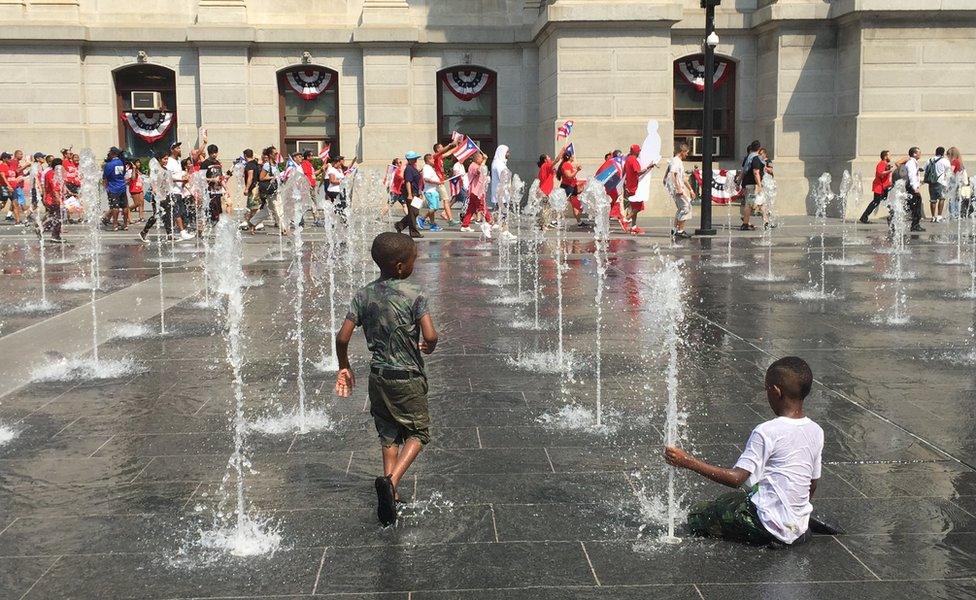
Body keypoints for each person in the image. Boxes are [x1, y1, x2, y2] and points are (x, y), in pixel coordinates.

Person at [334, 232, 438, 527]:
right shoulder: (415, 293)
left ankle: (389, 496)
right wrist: (430, 344)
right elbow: (430, 335)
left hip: (378, 378)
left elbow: (342, 337)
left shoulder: (363, 294)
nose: (415, 263)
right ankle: (391, 481)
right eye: (414, 260)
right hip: (408, 377)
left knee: (388, 432)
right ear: (401, 266)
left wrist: (344, 366)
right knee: (418, 433)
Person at [665, 356, 823, 547]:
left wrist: (687, 461)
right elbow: (811, 485)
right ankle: (792, 525)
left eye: (766, 389)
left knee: (701, 514)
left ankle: (773, 532)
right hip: (798, 525)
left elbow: (736, 479)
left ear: (775, 392)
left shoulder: (767, 431)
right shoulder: (816, 431)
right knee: (742, 496)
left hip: (766, 525)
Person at [164, 142, 194, 240]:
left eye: (179, 148)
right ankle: (182, 232)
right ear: (172, 150)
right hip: (172, 190)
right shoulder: (169, 161)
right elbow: (168, 177)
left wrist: (184, 178)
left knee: (177, 212)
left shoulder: (178, 161)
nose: (179, 150)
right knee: (176, 212)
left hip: (179, 190)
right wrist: (181, 180)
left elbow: (177, 174)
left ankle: (171, 234)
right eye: (177, 148)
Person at [623, 144, 654, 235]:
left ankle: (634, 226)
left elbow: (626, 173)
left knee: (634, 208)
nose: (640, 152)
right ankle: (626, 219)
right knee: (639, 207)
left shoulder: (628, 160)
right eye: (639, 150)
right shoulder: (633, 160)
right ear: (635, 151)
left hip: (630, 186)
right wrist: (648, 168)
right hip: (634, 187)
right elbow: (638, 173)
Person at [859, 150, 896, 224]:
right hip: (879, 186)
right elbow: (880, 174)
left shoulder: (885, 164)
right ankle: (864, 217)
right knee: (876, 202)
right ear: (885, 157)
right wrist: (890, 170)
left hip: (883, 186)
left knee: (884, 201)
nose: (891, 157)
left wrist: (888, 168)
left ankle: (893, 216)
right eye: (889, 155)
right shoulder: (882, 163)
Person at [665, 142, 693, 239]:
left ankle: (675, 229)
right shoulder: (676, 161)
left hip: (679, 188)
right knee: (686, 208)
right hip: (678, 189)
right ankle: (680, 231)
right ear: (682, 151)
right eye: (686, 152)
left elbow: (683, 178)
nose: (687, 154)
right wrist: (678, 188)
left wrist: (691, 190)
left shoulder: (678, 161)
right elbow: (672, 174)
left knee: (682, 208)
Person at [461, 151, 492, 235]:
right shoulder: (473, 166)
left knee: (471, 209)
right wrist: (485, 160)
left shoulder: (475, 165)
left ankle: (465, 225)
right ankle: (490, 221)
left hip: (476, 191)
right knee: (482, 206)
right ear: (477, 158)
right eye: (481, 158)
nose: (482, 159)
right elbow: (479, 170)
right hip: (475, 191)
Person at [395, 151, 423, 238]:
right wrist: (410, 194)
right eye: (414, 158)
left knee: (415, 212)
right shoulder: (408, 169)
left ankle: (400, 225)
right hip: (411, 193)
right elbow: (408, 182)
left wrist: (420, 193)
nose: (416, 160)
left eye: (416, 158)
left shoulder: (413, 168)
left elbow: (418, 182)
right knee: (413, 212)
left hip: (416, 193)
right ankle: (414, 233)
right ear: (409, 160)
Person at [431, 141, 459, 226]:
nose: (443, 148)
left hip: (440, 182)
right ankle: (450, 220)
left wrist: (457, 145)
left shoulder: (440, 157)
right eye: (441, 147)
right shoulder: (435, 156)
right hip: (439, 182)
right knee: (445, 200)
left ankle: (422, 218)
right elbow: (443, 151)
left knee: (435, 205)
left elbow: (450, 152)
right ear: (437, 149)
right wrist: (450, 144)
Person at [38, 158, 66, 243]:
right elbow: (54, 189)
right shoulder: (52, 174)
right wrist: (59, 201)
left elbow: (61, 186)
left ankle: (50, 232)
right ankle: (43, 229)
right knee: (59, 216)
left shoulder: (54, 173)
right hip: (52, 199)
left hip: (54, 199)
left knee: (55, 216)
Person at [559, 150, 588, 228]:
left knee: (575, 205)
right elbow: (569, 176)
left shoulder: (568, 164)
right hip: (568, 188)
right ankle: (554, 220)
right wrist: (577, 171)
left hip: (572, 187)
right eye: (572, 156)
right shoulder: (565, 165)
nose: (573, 157)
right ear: (569, 157)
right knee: (561, 205)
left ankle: (579, 222)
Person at [739, 140, 763, 230]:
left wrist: (739, 182)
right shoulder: (755, 158)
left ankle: (746, 221)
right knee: (749, 204)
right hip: (752, 185)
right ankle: (745, 224)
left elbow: (743, 171)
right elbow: (756, 172)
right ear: (759, 148)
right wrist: (759, 185)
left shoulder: (748, 157)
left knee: (749, 203)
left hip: (747, 184)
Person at [198, 144, 225, 225]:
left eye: (215, 152)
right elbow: (201, 178)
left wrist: (226, 189)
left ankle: (215, 229)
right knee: (212, 211)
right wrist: (212, 179)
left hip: (218, 191)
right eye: (212, 153)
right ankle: (207, 227)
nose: (214, 154)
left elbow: (221, 178)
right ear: (209, 153)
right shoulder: (205, 163)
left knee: (218, 211)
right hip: (209, 191)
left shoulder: (218, 163)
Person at [103, 147, 128, 230]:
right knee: (124, 206)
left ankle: (115, 224)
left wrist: (106, 188)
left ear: (113, 153)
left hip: (113, 188)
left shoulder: (109, 164)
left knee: (115, 207)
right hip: (122, 187)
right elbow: (123, 173)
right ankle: (125, 224)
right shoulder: (122, 162)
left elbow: (105, 177)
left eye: (110, 152)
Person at [924, 146, 951, 222]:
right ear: (943, 153)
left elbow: (924, 169)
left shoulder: (930, 160)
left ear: (936, 152)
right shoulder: (945, 161)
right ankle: (939, 216)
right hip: (941, 182)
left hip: (931, 182)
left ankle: (933, 217)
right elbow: (949, 171)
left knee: (933, 200)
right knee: (941, 198)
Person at [902, 147, 925, 232]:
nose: (920, 154)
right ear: (914, 154)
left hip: (912, 187)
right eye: (919, 152)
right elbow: (912, 176)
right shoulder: (911, 163)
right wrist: (915, 188)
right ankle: (915, 225)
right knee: (916, 206)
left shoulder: (914, 163)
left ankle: (915, 224)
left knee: (911, 205)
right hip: (912, 188)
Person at [420, 153, 443, 232]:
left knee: (433, 208)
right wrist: (436, 182)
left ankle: (432, 225)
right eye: (433, 159)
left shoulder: (429, 168)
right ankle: (422, 218)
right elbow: (426, 179)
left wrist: (438, 182)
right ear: (429, 160)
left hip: (433, 190)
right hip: (430, 191)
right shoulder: (426, 168)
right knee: (434, 208)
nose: (434, 160)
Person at [240, 149, 261, 228]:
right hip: (256, 186)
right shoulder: (255, 163)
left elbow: (250, 177)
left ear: (245, 155)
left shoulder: (250, 165)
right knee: (252, 206)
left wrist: (246, 188)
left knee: (253, 206)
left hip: (253, 188)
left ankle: (256, 223)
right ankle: (250, 222)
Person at [946, 147, 966, 219]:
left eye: (948, 155)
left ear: (951, 154)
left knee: (952, 198)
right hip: (958, 182)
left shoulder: (954, 161)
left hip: (953, 182)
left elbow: (950, 172)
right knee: (957, 198)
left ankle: (953, 214)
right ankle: (957, 214)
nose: (947, 157)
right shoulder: (959, 161)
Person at [127, 158, 145, 223]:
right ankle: (127, 210)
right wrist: (134, 169)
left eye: (139, 162)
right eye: (137, 162)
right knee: (137, 203)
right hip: (134, 189)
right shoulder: (131, 171)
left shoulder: (139, 171)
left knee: (142, 203)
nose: (139, 164)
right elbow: (133, 178)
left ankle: (141, 217)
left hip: (140, 188)